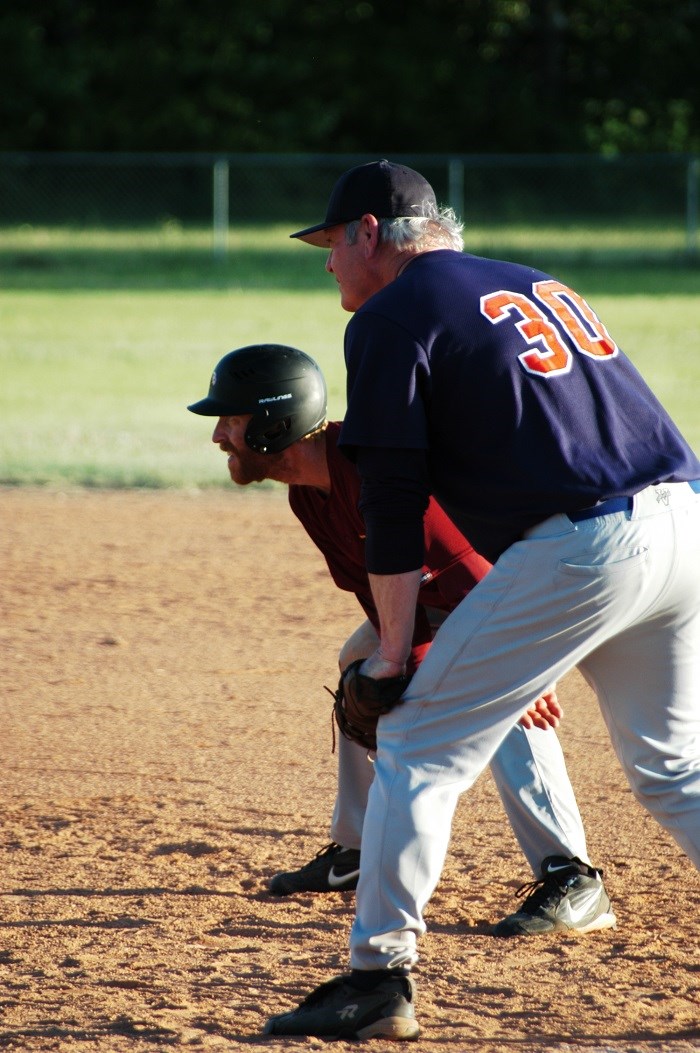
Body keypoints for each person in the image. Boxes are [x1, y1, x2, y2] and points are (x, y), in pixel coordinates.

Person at [257, 161, 700, 1040]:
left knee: (417, 740)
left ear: (372, 234)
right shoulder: (533, 279)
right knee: (672, 768)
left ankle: (377, 978)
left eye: (332, 245)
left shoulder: (392, 313)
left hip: (583, 545)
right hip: (683, 524)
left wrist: (389, 654)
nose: (328, 265)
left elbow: (390, 492)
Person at [187, 344, 616, 938]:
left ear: (272, 423)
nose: (217, 436)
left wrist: (518, 669)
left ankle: (573, 877)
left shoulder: (370, 467)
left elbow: (470, 570)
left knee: (502, 701)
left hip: (527, 581)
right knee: (359, 663)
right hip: (461, 593)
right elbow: (379, 589)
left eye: (230, 420)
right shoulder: (308, 494)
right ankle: (358, 850)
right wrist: (399, 662)